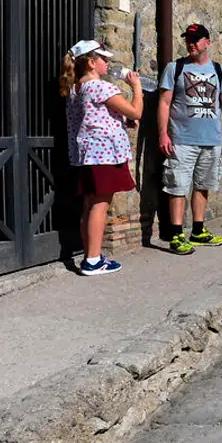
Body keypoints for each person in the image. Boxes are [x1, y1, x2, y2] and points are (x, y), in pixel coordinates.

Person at [61, 39, 143, 275]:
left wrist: (121, 120)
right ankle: (93, 260)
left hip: (87, 154)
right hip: (105, 154)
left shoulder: (77, 89)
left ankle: (92, 254)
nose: (107, 63)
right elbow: (136, 111)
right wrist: (136, 88)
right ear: (91, 62)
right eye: (103, 59)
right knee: (99, 206)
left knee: (89, 205)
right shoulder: (101, 87)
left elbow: (96, 117)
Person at [157, 23, 222, 255]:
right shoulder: (175, 68)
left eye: (196, 39)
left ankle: (198, 231)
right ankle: (176, 234)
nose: (191, 43)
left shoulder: (219, 70)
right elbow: (164, 103)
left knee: (203, 185)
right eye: (188, 39)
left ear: (207, 42)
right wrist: (163, 133)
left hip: (211, 139)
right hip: (181, 139)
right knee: (178, 186)